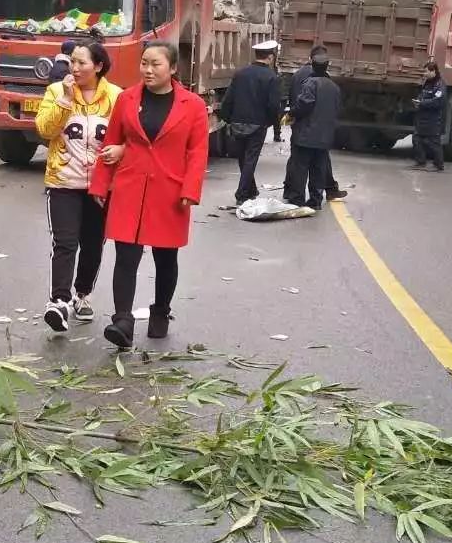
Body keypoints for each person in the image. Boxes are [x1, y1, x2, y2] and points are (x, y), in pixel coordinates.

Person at [90, 41, 210, 350]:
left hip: (170, 192)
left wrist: (190, 191)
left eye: (155, 64)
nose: (147, 69)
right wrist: (100, 186)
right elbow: (111, 144)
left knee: (165, 258)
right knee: (125, 256)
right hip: (130, 188)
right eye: (144, 63)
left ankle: (160, 311)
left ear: (172, 69)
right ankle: (123, 321)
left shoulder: (192, 105)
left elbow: (197, 153)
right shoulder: (127, 99)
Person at [36, 40, 123, 332]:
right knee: (65, 242)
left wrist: (120, 150)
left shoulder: (116, 98)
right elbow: (45, 129)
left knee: (93, 245)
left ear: (98, 66)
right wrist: (64, 100)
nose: (74, 68)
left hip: (101, 187)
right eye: (72, 61)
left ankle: (82, 294)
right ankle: (57, 302)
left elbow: (129, 136)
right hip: (63, 181)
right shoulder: (55, 91)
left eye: (82, 63)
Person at [219, 39, 282, 205]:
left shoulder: (240, 73)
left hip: (237, 122)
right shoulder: (271, 77)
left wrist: (227, 118)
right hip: (257, 125)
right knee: (250, 159)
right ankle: (241, 194)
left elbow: (228, 99)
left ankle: (251, 190)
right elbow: (274, 105)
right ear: (270, 57)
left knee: (242, 158)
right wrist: (270, 124)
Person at [284, 47, 345, 209]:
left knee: (301, 167)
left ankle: (297, 198)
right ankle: (316, 200)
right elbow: (338, 110)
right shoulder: (334, 87)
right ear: (327, 66)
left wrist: (292, 113)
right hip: (325, 136)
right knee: (318, 168)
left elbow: (304, 105)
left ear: (312, 64)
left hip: (306, 135)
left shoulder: (311, 83)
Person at [412, 60, 447, 171]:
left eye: (426, 72)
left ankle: (438, 165)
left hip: (433, 119)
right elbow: (422, 95)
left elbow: (438, 101)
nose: (424, 74)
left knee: (434, 142)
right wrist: (417, 100)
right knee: (416, 139)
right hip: (422, 117)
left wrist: (422, 103)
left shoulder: (440, 84)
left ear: (433, 71)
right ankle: (421, 162)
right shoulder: (426, 83)